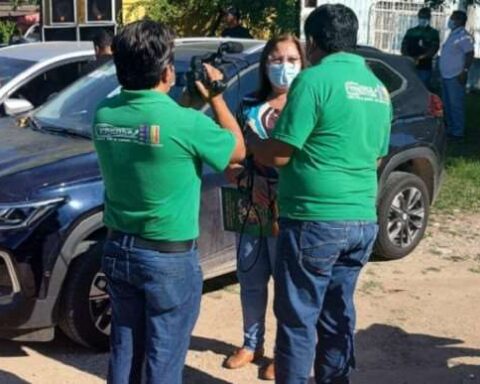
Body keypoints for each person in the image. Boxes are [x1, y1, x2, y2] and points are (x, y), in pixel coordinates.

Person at [93, 20, 245, 384]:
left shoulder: (104, 114)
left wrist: (186, 101)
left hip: (117, 248)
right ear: (166, 70)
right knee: (164, 360)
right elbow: (237, 149)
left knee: (125, 353)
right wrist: (217, 98)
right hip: (167, 260)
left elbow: (153, 126)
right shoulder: (183, 123)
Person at [246, 4, 391, 383]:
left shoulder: (312, 82)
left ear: (313, 43)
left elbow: (279, 152)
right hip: (361, 219)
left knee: (298, 319)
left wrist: (251, 141)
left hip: (314, 221)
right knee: (337, 314)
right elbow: (377, 156)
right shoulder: (377, 88)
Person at [222, 35, 306, 381]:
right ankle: (251, 343)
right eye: (275, 58)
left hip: (290, 210)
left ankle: (282, 354)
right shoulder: (247, 104)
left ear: (303, 64)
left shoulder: (307, 105)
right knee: (251, 278)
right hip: (250, 206)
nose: (282, 66)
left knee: (289, 287)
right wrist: (232, 167)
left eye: (291, 59)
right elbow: (234, 148)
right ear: (264, 63)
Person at [439, 10, 474, 140]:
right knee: (447, 104)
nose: (450, 21)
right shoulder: (453, 34)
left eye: (453, 18)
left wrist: (464, 71)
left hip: (455, 75)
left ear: (459, 20)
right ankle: (450, 129)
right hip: (446, 75)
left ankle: (458, 132)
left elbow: (469, 54)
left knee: (455, 104)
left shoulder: (463, 36)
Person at [401, 7, 440, 88]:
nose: (423, 19)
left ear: (429, 18)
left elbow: (434, 49)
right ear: (418, 17)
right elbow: (404, 46)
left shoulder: (433, 33)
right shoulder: (411, 31)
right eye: (421, 17)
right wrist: (408, 57)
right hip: (409, 64)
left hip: (424, 66)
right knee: (409, 87)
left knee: (423, 88)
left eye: (425, 17)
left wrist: (420, 58)